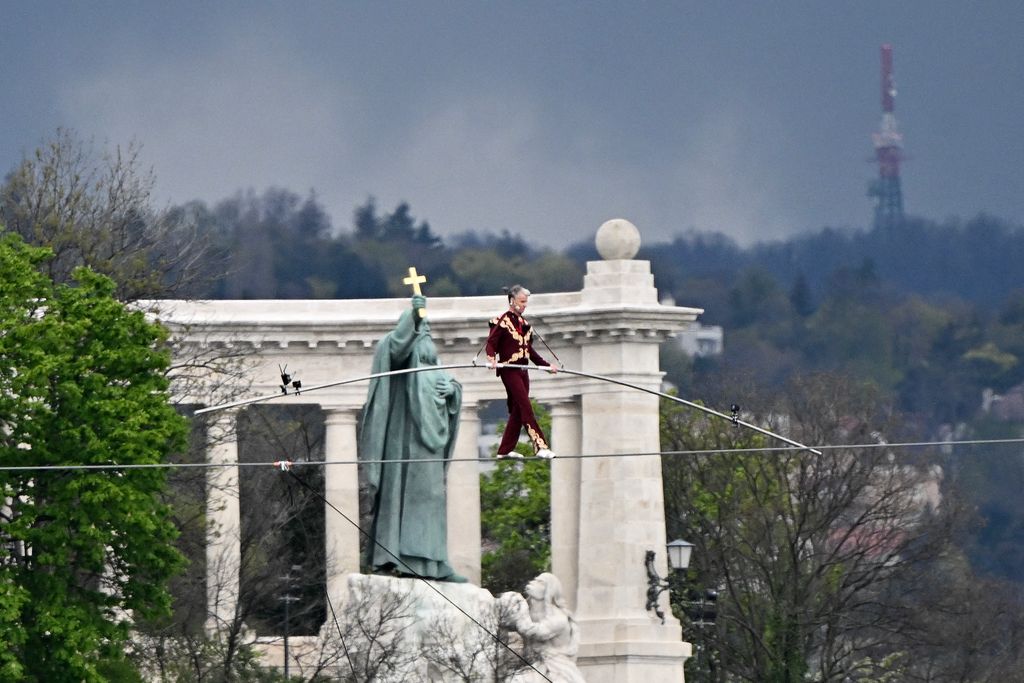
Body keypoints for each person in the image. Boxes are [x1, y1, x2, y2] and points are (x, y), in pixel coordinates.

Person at [359, 294, 465, 581]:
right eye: (419, 333)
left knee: (432, 498)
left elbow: (451, 390)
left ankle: (433, 562)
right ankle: (397, 558)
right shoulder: (400, 360)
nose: (425, 339)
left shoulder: (436, 368)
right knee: (402, 498)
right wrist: (414, 318)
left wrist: (452, 392)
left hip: (429, 450)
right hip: (404, 442)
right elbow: (393, 347)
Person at [486, 285, 557, 459]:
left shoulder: (525, 325)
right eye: (522, 302)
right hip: (510, 370)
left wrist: (547, 366)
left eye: (526, 302)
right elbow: (491, 343)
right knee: (526, 406)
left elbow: (530, 352)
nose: (525, 305)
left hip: (524, 372)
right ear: (512, 301)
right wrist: (491, 358)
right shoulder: (501, 321)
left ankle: (504, 450)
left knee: (519, 410)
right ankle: (540, 445)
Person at [498, 573, 585, 683]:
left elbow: (534, 632)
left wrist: (519, 610)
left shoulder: (559, 617)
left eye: (540, 582)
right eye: (535, 580)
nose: (533, 582)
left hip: (556, 668)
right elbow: (505, 623)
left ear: (550, 590)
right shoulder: (530, 612)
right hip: (535, 665)